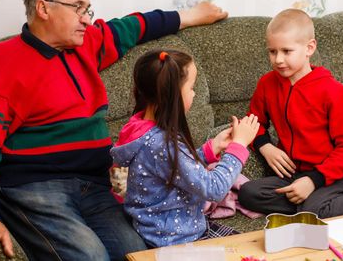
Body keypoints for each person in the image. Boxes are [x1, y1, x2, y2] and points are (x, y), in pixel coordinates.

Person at [0, 0, 228, 261]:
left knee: (137, 255)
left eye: (88, 10)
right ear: (43, 8)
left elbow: (133, 26)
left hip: (93, 184)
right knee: (91, 257)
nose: (87, 18)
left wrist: (192, 15)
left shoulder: (86, 45)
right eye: (78, 8)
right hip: (35, 187)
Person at [238, 8, 343, 218]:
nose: (278, 60)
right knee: (247, 194)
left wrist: (314, 180)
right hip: (292, 172)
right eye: (272, 51)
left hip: (333, 174)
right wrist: (265, 146)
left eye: (286, 51)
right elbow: (252, 123)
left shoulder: (334, 92)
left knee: (312, 211)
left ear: (309, 48)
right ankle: (309, 202)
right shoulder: (267, 84)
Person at [110, 49, 260, 247]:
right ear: (171, 94)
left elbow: (175, 168)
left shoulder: (142, 130)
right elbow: (213, 188)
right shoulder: (160, 143)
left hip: (163, 231)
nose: (195, 93)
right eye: (191, 87)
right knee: (250, 249)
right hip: (175, 241)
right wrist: (239, 146)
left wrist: (211, 148)